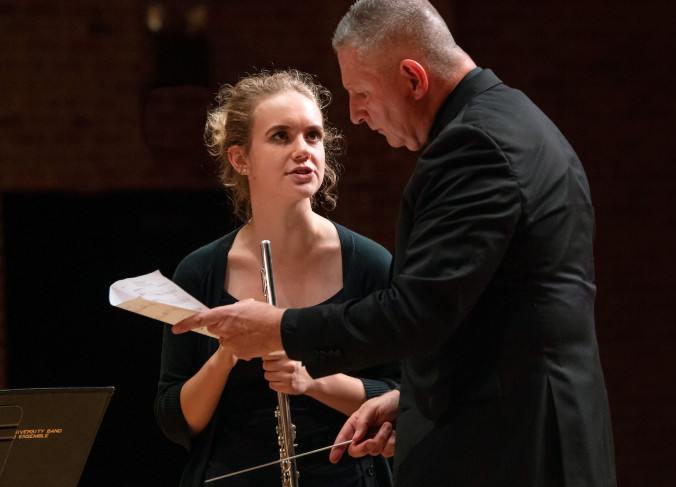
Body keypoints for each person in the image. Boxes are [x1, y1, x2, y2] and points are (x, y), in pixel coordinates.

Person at [173, 1, 617, 485]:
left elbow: (416, 315)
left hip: (515, 446)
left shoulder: (475, 147)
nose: (357, 116)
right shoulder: (513, 119)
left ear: (413, 78)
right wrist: (406, 402)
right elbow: (483, 315)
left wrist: (281, 328)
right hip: (527, 425)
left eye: (361, 93)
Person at [155, 69, 400, 487]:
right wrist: (228, 351)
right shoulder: (200, 272)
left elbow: (403, 396)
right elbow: (176, 421)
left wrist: (311, 378)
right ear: (240, 158)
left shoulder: (370, 264)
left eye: (313, 136)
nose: (303, 150)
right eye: (281, 136)